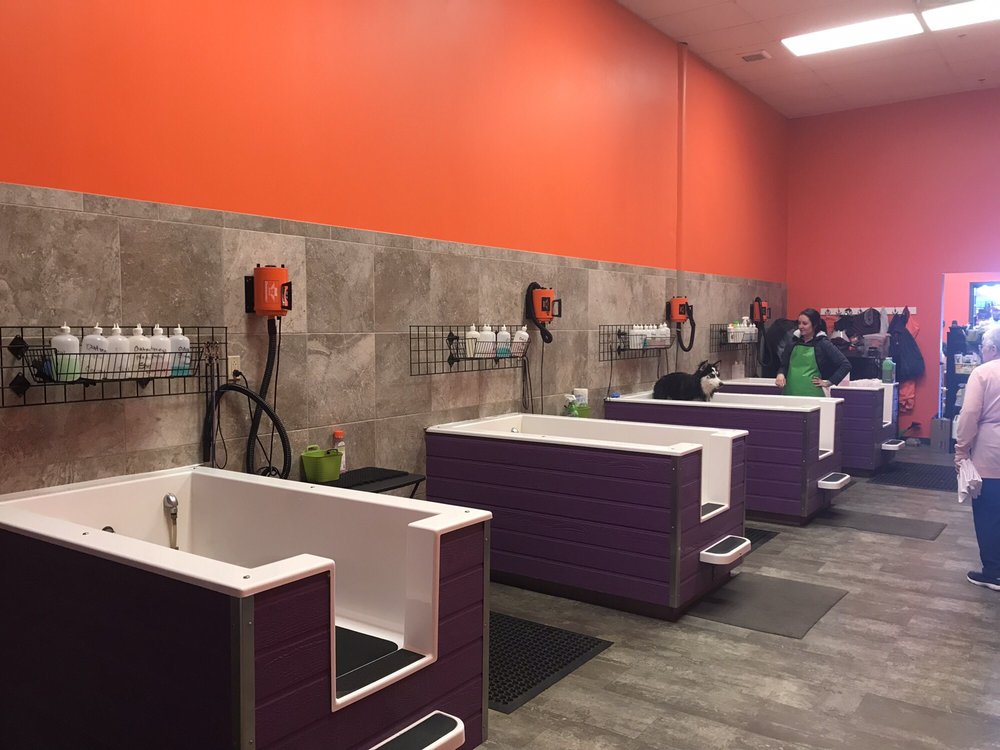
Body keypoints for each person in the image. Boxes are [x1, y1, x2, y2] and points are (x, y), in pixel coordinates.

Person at [955, 326, 1000, 589]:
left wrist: (961, 451)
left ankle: (994, 572)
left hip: (990, 454)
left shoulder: (983, 373)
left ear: (992, 349)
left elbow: (969, 414)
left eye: (982, 347)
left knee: (988, 513)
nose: (981, 351)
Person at [775, 308, 851, 396]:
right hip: (790, 392)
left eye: (805, 323)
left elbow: (845, 365)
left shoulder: (823, 343)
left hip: (813, 394)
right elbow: (783, 365)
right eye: (799, 323)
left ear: (814, 325)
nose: (800, 326)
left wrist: (829, 382)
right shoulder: (792, 342)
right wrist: (780, 374)